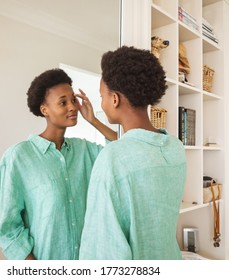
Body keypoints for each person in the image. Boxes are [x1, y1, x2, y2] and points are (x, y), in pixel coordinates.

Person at [0, 68, 117, 260]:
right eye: (63, 102)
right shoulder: (18, 157)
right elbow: (9, 231)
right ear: (44, 110)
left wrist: (93, 120)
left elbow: (122, 150)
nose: (73, 107)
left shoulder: (84, 151)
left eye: (73, 100)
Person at [79, 46, 187, 260]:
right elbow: (137, 147)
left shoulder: (111, 159)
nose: (101, 102)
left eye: (102, 96)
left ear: (115, 99)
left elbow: (103, 252)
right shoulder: (174, 148)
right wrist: (93, 121)